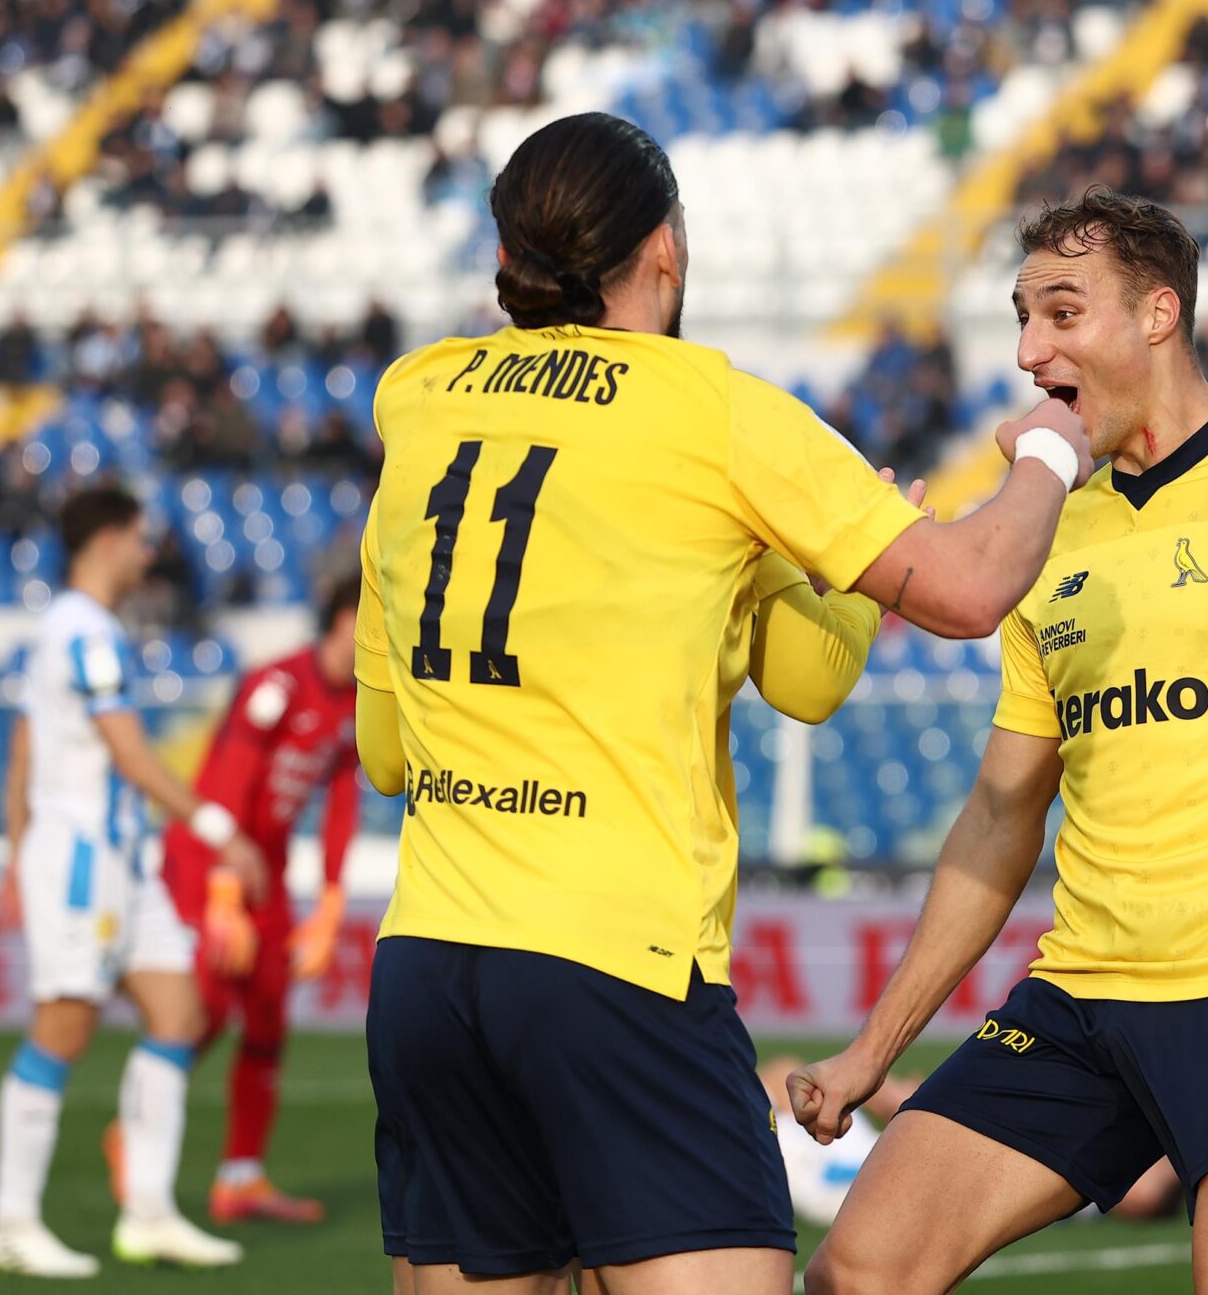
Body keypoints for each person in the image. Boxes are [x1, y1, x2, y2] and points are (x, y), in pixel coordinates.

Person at [355, 111, 1090, 1295]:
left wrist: (798, 577)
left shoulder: (419, 397)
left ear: (508, 255)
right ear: (666, 248)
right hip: (617, 964)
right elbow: (966, 587)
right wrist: (1049, 451)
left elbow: (387, 752)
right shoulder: (712, 411)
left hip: (428, 964)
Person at [796, 189, 1208, 1295]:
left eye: (1062, 314)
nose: (1030, 351)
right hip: (1078, 996)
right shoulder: (1042, 535)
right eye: (1024, 318)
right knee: (857, 1274)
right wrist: (874, 1048)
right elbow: (1000, 817)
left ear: (1159, 314)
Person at [0, 486, 266, 1276]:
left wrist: (14, 854)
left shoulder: (74, 629)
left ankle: (148, 1214)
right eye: (140, 539)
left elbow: (25, 745)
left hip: (124, 861)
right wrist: (221, 831)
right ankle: (9, 1222)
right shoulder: (84, 632)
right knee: (64, 1025)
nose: (148, 553)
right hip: (84, 859)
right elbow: (132, 755)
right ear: (106, 541)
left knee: (179, 1013)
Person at [153, 576, 364, 1227]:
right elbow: (229, 777)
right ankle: (139, 1124)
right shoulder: (277, 685)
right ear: (344, 619)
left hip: (265, 871)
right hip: (208, 861)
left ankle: (240, 1179)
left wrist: (332, 897)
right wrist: (223, 885)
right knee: (206, 1007)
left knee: (269, 1012)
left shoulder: (357, 703)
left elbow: (343, 798)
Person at [756, 1058, 1181, 1231]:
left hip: (851, 1180)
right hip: (876, 1165)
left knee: (776, 1092)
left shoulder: (1089, 1187)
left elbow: (1146, 1194)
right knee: (786, 1078)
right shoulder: (1087, 1164)